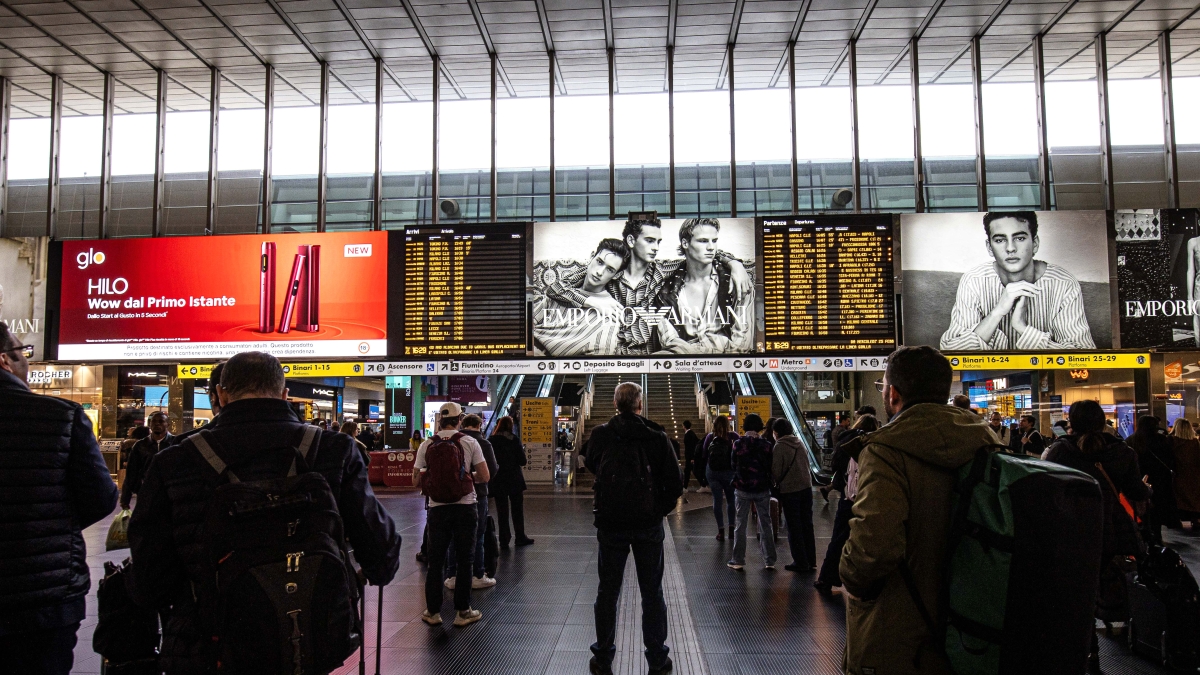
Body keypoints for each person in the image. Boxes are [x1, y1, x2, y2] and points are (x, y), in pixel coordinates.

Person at [127, 351, 401, 673]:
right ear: (285, 394)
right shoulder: (334, 450)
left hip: (207, 645)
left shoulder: (174, 460)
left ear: (221, 395)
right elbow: (381, 556)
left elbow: (149, 580)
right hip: (308, 639)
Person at [840, 346, 995, 673]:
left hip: (899, 633)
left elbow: (874, 549)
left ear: (893, 393)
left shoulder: (886, 451)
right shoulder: (987, 442)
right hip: (975, 627)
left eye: (883, 386)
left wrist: (850, 578)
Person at [0, 324, 118, 675]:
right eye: (22, 352)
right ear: (5, 360)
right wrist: (49, 525)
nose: (26, 361)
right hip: (43, 598)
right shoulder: (60, 416)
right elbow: (101, 497)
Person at [544, 213, 752, 356]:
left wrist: (734, 264)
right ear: (632, 241)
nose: (656, 248)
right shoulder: (612, 267)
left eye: (658, 242)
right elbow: (555, 287)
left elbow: (699, 258)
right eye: (650, 241)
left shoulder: (663, 270)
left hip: (650, 353)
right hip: (613, 351)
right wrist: (591, 301)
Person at [1044, 400, 1150, 673]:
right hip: (1113, 532)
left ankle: (1088, 651)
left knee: (1078, 594)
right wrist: (1147, 490)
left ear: (1071, 422)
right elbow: (1137, 492)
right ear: (1103, 421)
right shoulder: (1122, 452)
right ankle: (1126, 627)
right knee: (1109, 579)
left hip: (1072, 533)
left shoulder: (1060, 452)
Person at [584, 382, 683, 675]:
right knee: (652, 592)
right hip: (647, 526)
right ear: (640, 404)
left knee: (607, 591)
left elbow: (591, 464)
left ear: (616, 404)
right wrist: (656, 510)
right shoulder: (656, 436)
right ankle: (656, 658)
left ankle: (603, 657)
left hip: (611, 524)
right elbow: (675, 483)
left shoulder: (601, 434)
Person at [940, 211, 1094, 351]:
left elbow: (1084, 354)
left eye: (1019, 238)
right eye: (1000, 240)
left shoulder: (1063, 283)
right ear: (989, 248)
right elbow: (951, 351)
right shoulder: (973, 280)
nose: (1010, 248)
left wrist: (1023, 328)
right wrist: (997, 312)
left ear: (1035, 244)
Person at [413, 402, 490, 627]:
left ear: (440, 421)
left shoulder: (427, 444)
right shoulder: (469, 441)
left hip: (437, 508)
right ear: (459, 420)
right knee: (465, 559)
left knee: (436, 561)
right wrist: (464, 477)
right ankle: (463, 611)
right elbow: (485, 476)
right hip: (465, 506)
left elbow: (415, 480)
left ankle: (433, 612)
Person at [652, 218, 754, 355]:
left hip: (728, 363)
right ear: (685, 243)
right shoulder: (666, 290)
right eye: (703, 241)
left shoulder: (736, 281)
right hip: (683, 366)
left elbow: (741, 344)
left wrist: (735, 264)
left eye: (714, 240)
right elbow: (670, 342)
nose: (711, 247)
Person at [814, 414, 879, 596]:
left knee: (838, 539)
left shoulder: (846, 441)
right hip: (869, 499)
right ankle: (866, 582)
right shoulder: (876, 444)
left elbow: (836, 466)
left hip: (848, 498)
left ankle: (826, 578)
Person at [535, 238, 631, 356]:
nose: (600, 272)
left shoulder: (610, 313)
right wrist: (589, 301)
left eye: (610, 270)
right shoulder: (564, 291)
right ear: (592, 257)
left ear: (616, 275)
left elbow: (600, 363)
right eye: (599, 262)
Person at [445, 414, 499, 589]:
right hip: (477, 494)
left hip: (451, 494)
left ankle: (452, 574)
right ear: (479, 425)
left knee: (453, 535)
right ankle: (477, 574)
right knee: (478, 534)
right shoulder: (482, 443)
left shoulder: (451, 441)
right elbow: (490, 470)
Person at [728, 414, 776, 571]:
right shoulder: (767, 445)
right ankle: (769, 560)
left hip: (742, 488)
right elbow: (770, 466)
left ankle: (738, 560)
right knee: (765, 523)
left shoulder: (738, 443)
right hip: (762, 487)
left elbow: (733, 464)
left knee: (740, 524)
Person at [772, 418, 815, 573]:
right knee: (807, 524)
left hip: (790, 490)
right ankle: (811, 559)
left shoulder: (780, 446)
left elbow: (776, 471)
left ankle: (800, 561)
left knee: (794, 526)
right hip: (806, 488)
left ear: (776, 432)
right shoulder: (799, 443)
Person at [1127, 415, 1178, 543]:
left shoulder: (1131, 441)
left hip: (1140, 479)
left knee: (1142, 509)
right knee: (1158, 511)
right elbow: (1171, 460)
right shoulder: (1162, 440)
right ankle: (1157, 535)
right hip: (1160, 481)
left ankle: (1144, 534)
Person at [489, 416, 533, 548]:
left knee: (501, 511)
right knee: (517, 510)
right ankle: (520, 537)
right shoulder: (514, 440)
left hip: (498, 480)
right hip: (514, 479)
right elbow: (522, 461)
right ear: (510, 426)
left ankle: (504, 539)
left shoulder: (491, 440)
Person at [120, 410, 172, 510]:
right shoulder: (140, 446)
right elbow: (131, 473)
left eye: (161, 421)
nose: (157, 424)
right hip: (146, 492)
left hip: (169, 492)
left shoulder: (175, 443)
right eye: (154, 421)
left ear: (167, 424)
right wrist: (125, 498)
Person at [703, 414, 739, 541]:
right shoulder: (733, 436)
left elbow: (704, 454)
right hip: (729, 471)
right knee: (730, 500)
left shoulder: (710, 437)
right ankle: (731, 529)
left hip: (712, 472)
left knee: (717, 501)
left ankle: (720, 531)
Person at [1171, 419, 1200, 528]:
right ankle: (1195, 519)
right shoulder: (1194, 443)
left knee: (1179, 498)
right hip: (1194, 476)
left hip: (1178, 475)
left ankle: (1179, 519)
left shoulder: (1172, 442)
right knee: (1194, 499)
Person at [682, 420, 703, 491]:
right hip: (690, 456)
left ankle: (685, 487)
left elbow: (690, 447)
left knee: (690, 471)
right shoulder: (691, 433)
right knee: (692, 471)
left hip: (690, 457)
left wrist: (692, 457)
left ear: (684, 426)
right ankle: (703, 484)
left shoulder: (689, 434)